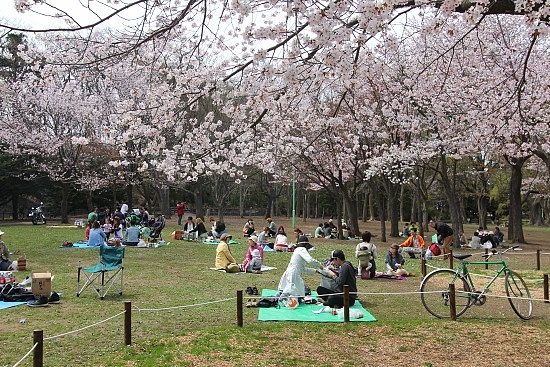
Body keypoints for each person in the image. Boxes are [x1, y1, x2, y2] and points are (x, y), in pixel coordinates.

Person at [277, 235, 322, 300]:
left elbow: (303, 268)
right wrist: (319, 265)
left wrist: (315, 271)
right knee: (292, 291)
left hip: (292, 271)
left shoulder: (298, 250)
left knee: (291, 290)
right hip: (294, 273)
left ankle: (279, 298)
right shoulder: (301, 249)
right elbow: (310, 260)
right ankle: (279, 299)